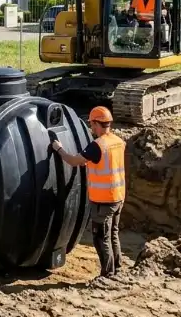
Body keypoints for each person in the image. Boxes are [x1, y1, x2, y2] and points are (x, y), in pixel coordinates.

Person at [50, 106, 126, 288]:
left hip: (104, 199)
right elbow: (106, 164)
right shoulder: (118, 141)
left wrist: (58, 149)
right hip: (118, 196)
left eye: (91, 124)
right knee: (113, 234)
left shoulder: (97, 145)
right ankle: (118, 269)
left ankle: (107, 275)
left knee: (101, 237)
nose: (91, 128)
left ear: (96, 123)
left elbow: (74, 161)